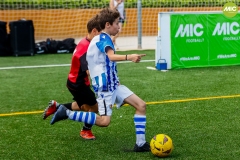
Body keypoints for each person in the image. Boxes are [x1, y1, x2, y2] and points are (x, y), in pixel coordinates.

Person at [50, 8, 150, 152]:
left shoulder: (99, 39)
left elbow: (104, 63)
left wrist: (116, 79)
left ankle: (140, 144)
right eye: (117, 23)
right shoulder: (103, 38)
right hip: (106, 88)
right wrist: (130, 56)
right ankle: (66, 113)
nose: (119, 27)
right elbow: (110, 57)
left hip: (113, 85)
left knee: (141, 105)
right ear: (108, 24)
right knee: (104, 121)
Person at [42, 15, 101, 140]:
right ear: (94, 31)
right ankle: (85, 131)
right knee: (94, 108)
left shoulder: (85, 41)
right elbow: (89, 71)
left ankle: (57, 107)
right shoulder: (87, 48)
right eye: (101, 34)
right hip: (79, 84)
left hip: (73, 81)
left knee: (84, 106)